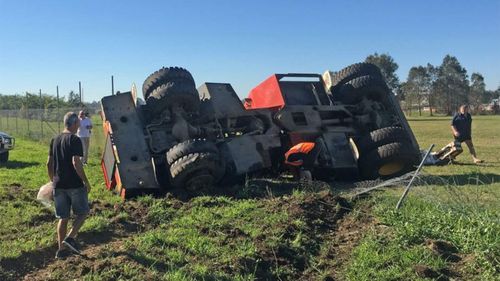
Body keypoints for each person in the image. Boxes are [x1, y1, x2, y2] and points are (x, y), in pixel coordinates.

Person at [47, 112, 92, 259]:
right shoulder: (75, 139)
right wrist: (85, 181)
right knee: (83, 212)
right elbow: (76, 162)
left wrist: (53, 181)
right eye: (78, 122)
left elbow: (49, 163)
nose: (79, 124)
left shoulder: (54, 139)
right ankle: (70, 237)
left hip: (59, 185)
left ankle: (61, 250)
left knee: (63, 217)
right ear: (74, 124)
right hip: (74, 184)